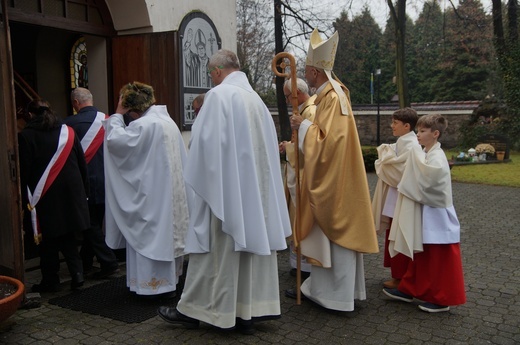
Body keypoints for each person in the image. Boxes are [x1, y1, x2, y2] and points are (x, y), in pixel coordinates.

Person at [157, 49, 291, 334]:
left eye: (210, 73)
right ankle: (247, 312)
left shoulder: (218, 96)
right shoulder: (257, 101)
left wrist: (202, 183)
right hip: (256, 196)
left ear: (217, 71)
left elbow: (204, 148)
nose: (211, 78)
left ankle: (202, 310)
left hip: (225, 195)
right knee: (248, 252)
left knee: (216, 252)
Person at [285, 28, 379, 311]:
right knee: (330, 240)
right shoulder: (329, 95)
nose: (305, 72)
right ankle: (322, 290)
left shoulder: (334, 98)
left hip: (335, 182)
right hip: (335, 177)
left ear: (314, 72)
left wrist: (302, 128)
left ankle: (336, 297)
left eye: (306, 69)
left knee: (336, 237)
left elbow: (331, 144)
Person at [103, 81, 189, 296]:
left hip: (152, 197)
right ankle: (170, 282)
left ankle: (154, 287)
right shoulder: (168, 122)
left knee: (150, 236)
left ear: (133, 109)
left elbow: (116, 142)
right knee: (166, 236)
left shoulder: (144, 126)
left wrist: (116, 115)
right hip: (170, 196)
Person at [383, 114, 466, 313]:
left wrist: (415, 160)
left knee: (439, 259)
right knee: (422, 256)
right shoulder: (426, 152)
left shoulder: (436, 156)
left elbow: (431, 181)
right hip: (427, 215)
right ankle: (411, 288)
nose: (418, 135)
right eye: (418, 130)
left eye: (422, 131)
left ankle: (442, 299)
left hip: (438, 217)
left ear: (435, 133)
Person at [18, 99, 89, 292]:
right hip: (71, 193)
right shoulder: (68, 132)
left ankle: (51, 280)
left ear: (30, 115)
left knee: (48, 241)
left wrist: (24, 200)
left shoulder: (26, 136)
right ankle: (78, 275)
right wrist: (84, 192)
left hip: (45, 195)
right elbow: (82, 164)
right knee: (68, 237)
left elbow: (24, 170)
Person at [63, 88, 119, 279]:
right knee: (93, 222)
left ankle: (108, 262)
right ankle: (85, 262)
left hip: (83, 183)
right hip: (107, 180)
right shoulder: (110, 121)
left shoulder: (68, 124)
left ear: (75, 103)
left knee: (89, 224)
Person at [371, 108, 419, 289]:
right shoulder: (402, 142)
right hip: (394, 196)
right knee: (393, 235)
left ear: (407, 126)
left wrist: (385, 160)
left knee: (400, 236)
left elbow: (399, 172)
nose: (392, 126)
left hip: (402, 198)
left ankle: (402, 277)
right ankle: (397, 274)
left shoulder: (412, 145)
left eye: (395, 123)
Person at [278, 78, 316, 280]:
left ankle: (305, 266)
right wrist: (289, 145)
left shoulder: (310, 111)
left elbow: (309, 146)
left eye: (287, 96)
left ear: (297, 94)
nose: (285, 101)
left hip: (304, 174)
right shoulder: (304, 109)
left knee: (300, 217)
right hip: (297, 171)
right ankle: (298, 263)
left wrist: (290, 148)